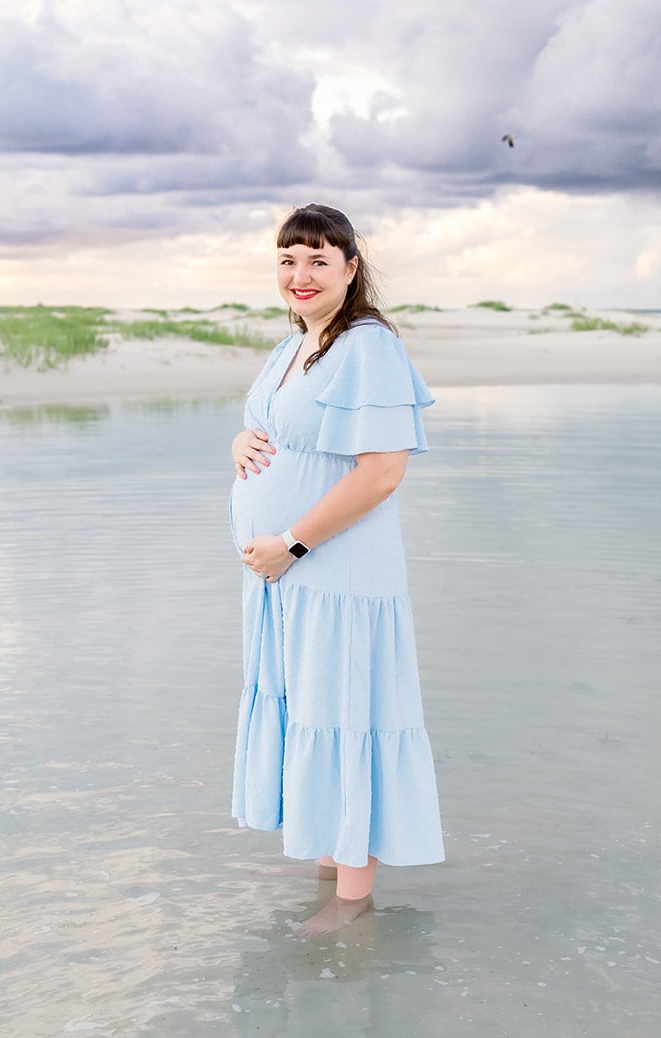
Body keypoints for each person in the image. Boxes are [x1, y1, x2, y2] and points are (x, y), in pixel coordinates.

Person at [228, 203, 445, 937]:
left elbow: (381, 472)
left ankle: (354, 902)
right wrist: (241, 445)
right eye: (288, 259)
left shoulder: (367, 345)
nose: (300, 274)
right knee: (311, 710)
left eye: (319, 260)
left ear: (352, 269)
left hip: (335, 573)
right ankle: (329, 863)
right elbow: (278, 429)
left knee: (347, 712)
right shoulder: (297, 343)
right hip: (293, 581)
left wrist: (289, 542)